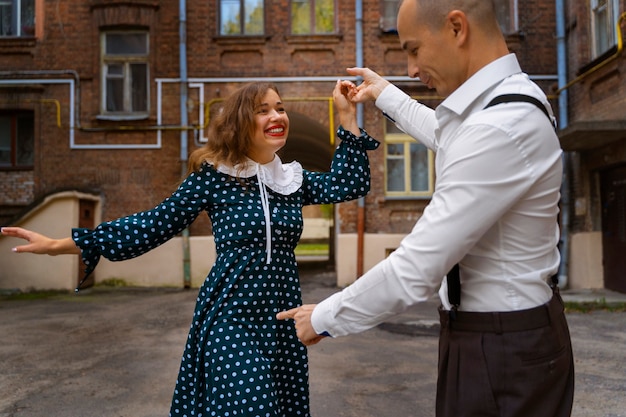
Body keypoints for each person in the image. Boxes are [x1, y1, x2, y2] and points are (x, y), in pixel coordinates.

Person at [1, 80, 379, 417]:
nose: (276, 115)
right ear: (241, 122)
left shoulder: (292, 179)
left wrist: (346, 116)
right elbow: (152, 224)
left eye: (279, 107)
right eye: (262, 110)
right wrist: (63, 245)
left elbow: (350, 184)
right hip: (230, 316)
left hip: (283, 319)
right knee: (253, 406)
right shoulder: (214, 178)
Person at [277, 1, 575, 416]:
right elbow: (448, 135)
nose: (412, 68)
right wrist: (386, 95)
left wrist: (325, 317)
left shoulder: (500, 125)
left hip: (504, 350)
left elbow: (415, 270)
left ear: (457, 28)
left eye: (413, 50)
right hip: (492, 338)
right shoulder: (498, 107)